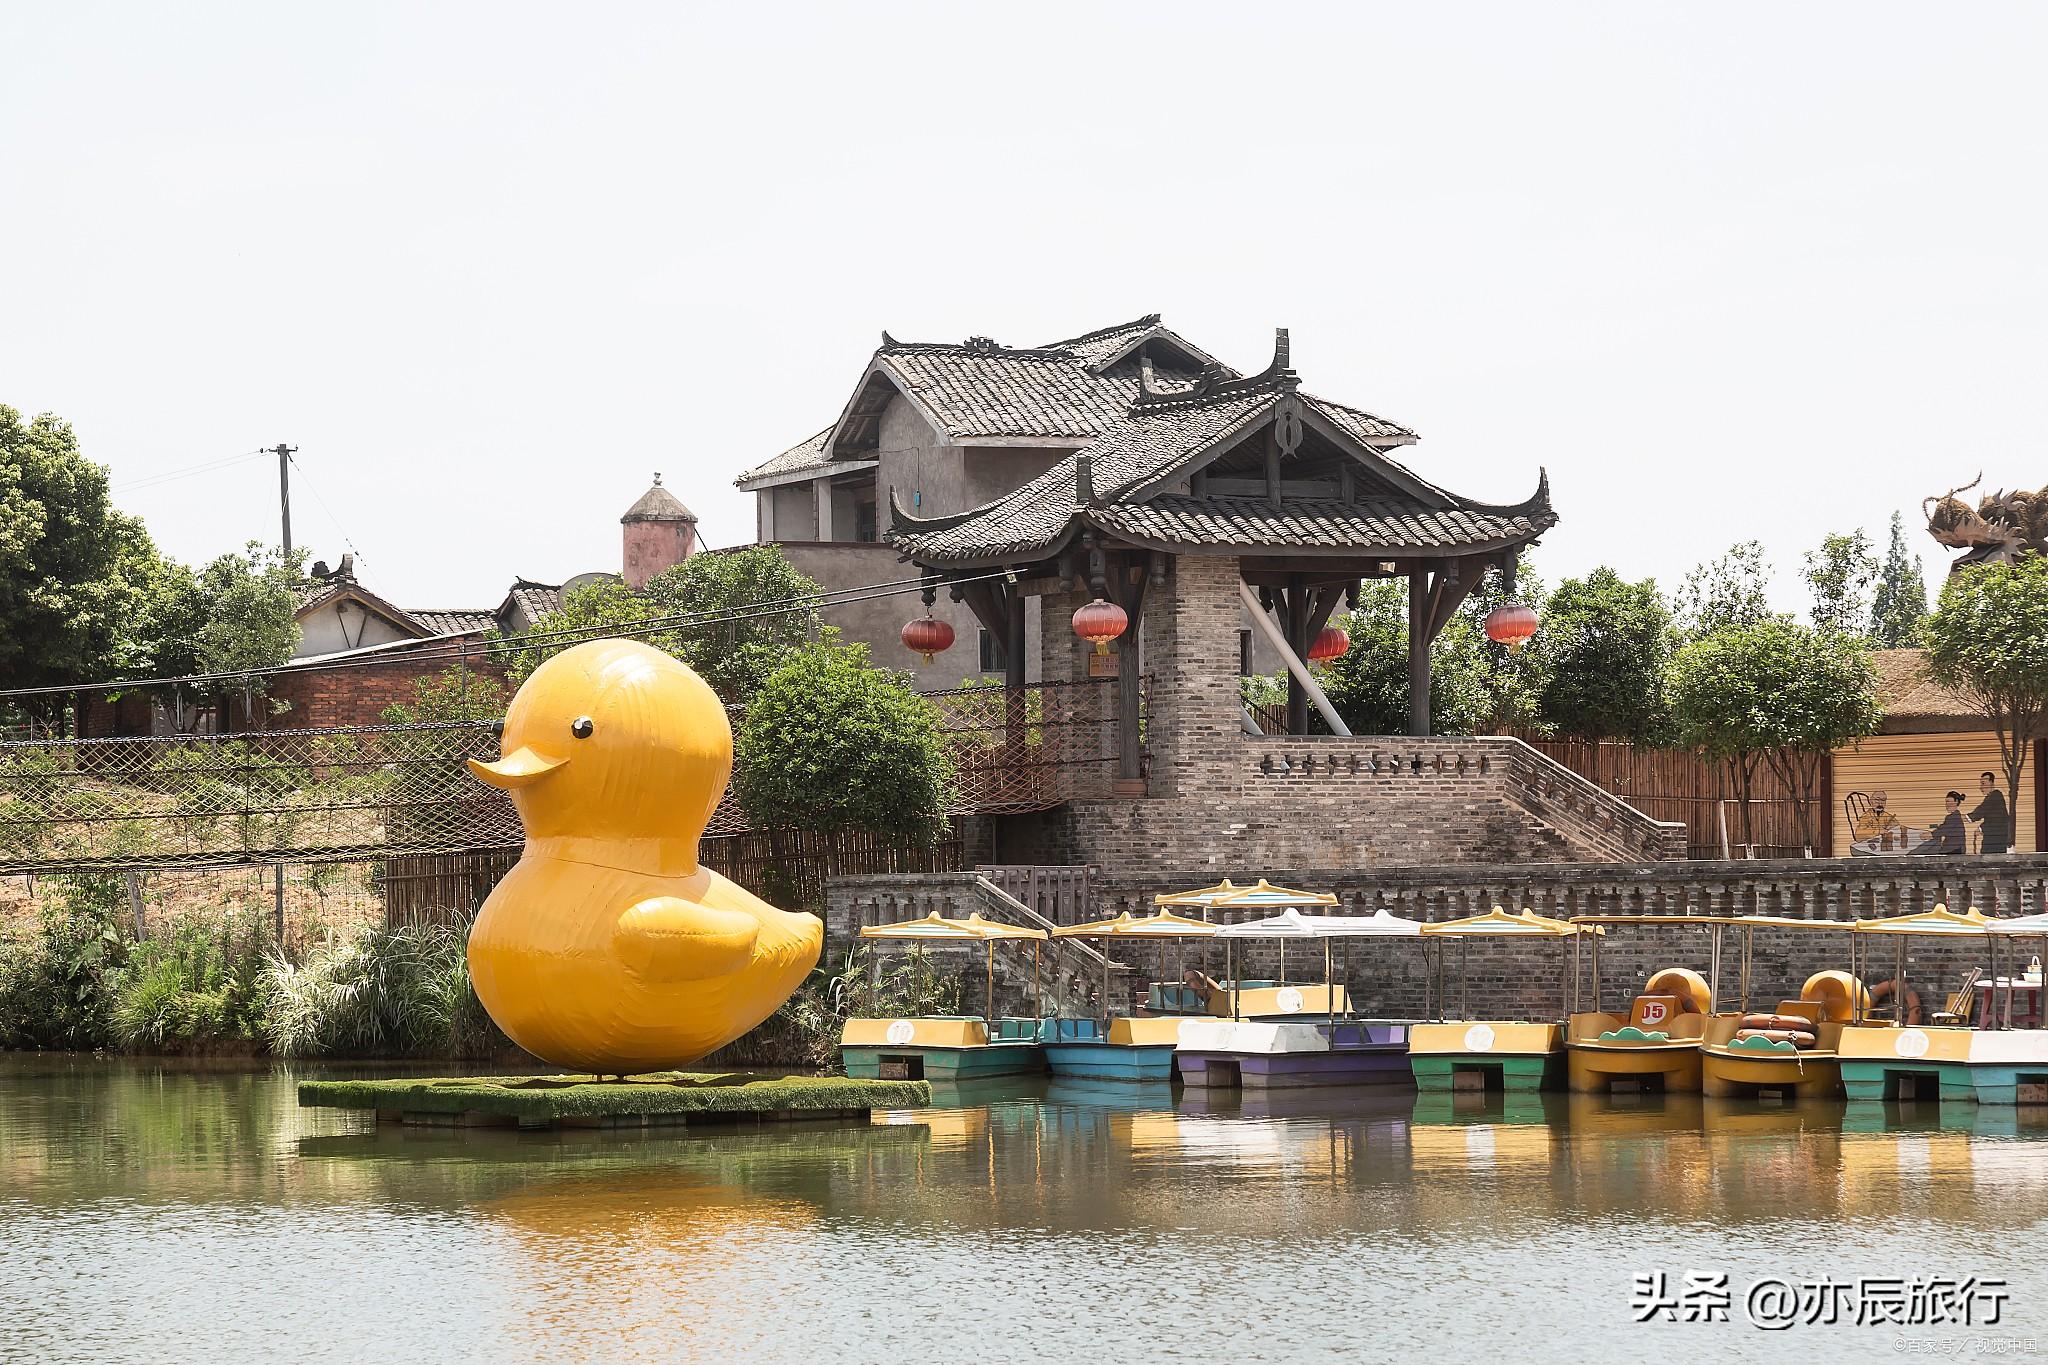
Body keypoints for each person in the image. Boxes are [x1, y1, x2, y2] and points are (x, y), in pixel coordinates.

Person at [1967, 770, 2012, 854]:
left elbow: (1980, 811)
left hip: (1996, 840)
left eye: (1983, 783)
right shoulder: (1995, 797)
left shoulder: (1994, 796)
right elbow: (1994, 818)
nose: (1981, 787)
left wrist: (1966, 817)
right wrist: (1981, 828)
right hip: (1995, 839)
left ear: (1991, 782)